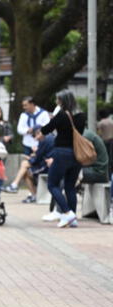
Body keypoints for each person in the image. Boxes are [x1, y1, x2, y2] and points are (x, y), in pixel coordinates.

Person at [40, 89, 85, 228]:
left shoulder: (61, 115)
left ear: (63, 101)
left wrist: (52, 119)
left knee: (52, 184)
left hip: (61, 153)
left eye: (58, 100)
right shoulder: (81, 115)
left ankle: (66, 213)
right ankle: (73, 218)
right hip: (77, 154)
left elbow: (45, 130)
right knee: (70, 186)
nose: (56, 102)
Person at [3, 126, 55, 202]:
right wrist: (34, 155)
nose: (35, 138)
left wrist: (32, 156)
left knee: (25, 165)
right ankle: (16, 186)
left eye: (34, 136)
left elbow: (37, 159)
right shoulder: (49, 137)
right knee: (25, 170)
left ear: (38, 133)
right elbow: (41, 155)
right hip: (47, 163)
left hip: (47, 166)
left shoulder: (45, 140)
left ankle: (16, 186)